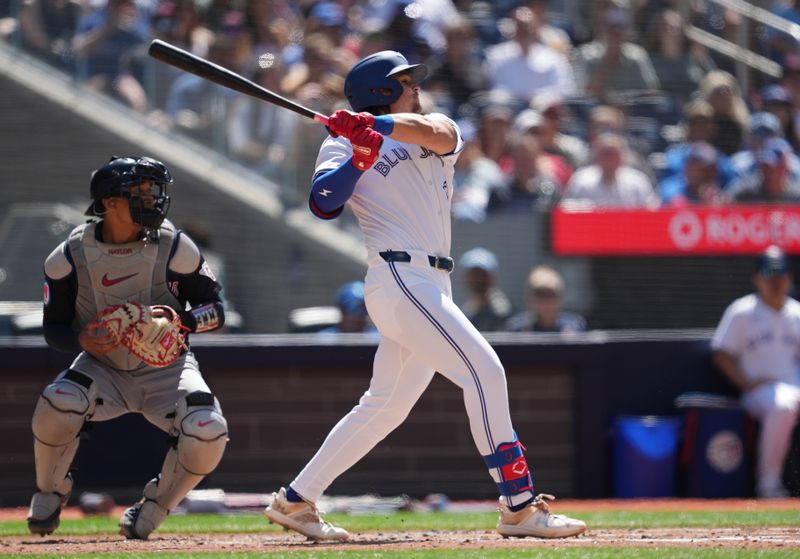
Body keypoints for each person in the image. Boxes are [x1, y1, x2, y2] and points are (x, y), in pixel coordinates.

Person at [264, 50, 586, 541]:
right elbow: (323, 202)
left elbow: (435, 133)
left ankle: (296, 499)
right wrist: (358, 155)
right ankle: (519, 506)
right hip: (397, 278)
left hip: (433, 284)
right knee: (485, 372)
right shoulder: (340, 143)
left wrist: (378, 126)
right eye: (405, 81)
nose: (415, 87)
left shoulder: (429, 125)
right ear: (379, 88)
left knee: (385, 406)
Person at [27, 157, 229, 539]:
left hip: (168, 368)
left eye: (154, 191)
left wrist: (181, 322)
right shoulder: (69, 257)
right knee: (60, 401)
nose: (152, 200)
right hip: (102, 365)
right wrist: (81, 340)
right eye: (139, 192)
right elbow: (53, 327)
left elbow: (217, 310)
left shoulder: (175, 246)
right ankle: (49, 492)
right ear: (108, 203)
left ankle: (153, 508)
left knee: (208, 429)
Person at [711, 245, 800, 499]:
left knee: (787, 401)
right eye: (768, 275)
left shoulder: (797, 313)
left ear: (789, 278)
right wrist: (746, 383)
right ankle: (768, 485)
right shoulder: (742, 311)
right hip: (759, 392)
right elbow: (720, 353)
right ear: (756, 278)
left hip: (794, 388)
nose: (774, 282)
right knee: (782, 405)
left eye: (779, 275)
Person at [506, 265, 586, 333]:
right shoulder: (517, 328)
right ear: (529, 298)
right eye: (540, 294)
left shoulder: (575, 327)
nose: (546, 301)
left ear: (561, 298)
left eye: (552, 294)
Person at [459, 247, 513, 332]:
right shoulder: (466, 312)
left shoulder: (503, 312)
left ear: (492, 278)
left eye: (482, 274)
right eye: (474, 274)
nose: (478, 279)